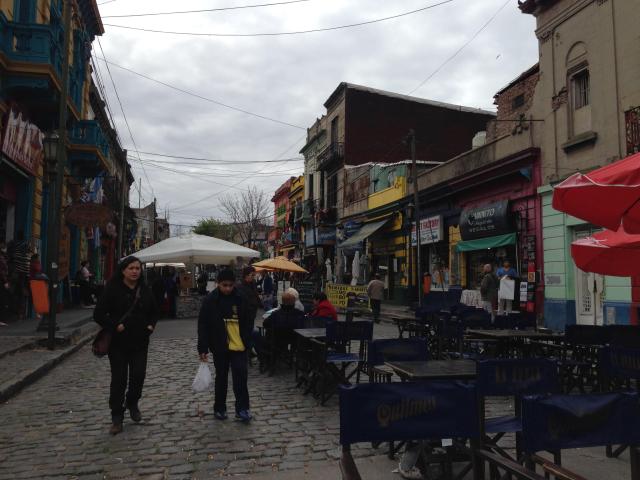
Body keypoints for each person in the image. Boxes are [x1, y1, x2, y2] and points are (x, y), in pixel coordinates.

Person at [94, 256, 159, 435]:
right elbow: (98, 314)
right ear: (123, 270)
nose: (135, 271)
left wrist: (151, 326)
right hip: (118, 343)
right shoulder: (112, 289)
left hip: (140, 342)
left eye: (137, 268)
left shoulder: (144, 290)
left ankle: (132, 402)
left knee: (138, 375)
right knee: (119, 379)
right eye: (131, 268)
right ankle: (117, 416)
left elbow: (154, 311)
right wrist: (114, 325)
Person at [197, 269, 253, 423]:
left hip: (239, 346)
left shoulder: (241, 297)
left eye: (230, 285)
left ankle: (242, 409)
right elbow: (203, 325)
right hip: (220, 346)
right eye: (224, 285)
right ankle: (220, 408)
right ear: (218, 284)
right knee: (221, 377)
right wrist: (203, 348)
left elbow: (249, 320)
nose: (228, 288)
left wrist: (247, 340)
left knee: (240, 377)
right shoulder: (210, 300)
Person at [0, 243, 9, 317]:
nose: (6, 249)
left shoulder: (3, 257)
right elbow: (2, 271)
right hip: (2, 280)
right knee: (2, 298)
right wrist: (5, 281)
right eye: (4, 248)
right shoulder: (1, 258)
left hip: (2, 279)